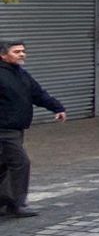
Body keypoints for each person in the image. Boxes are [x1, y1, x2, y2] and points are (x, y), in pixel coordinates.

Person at [0, 40, 66, 219]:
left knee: (5, 165)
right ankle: (16, 204)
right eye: (16, 52)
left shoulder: (21, 74)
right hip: (4, 129)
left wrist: (57, 107)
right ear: (3, 55)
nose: (22, 54)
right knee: (20, 163)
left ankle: (4, 202)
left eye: (23, 51)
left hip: (16, 128)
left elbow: (38, 94)